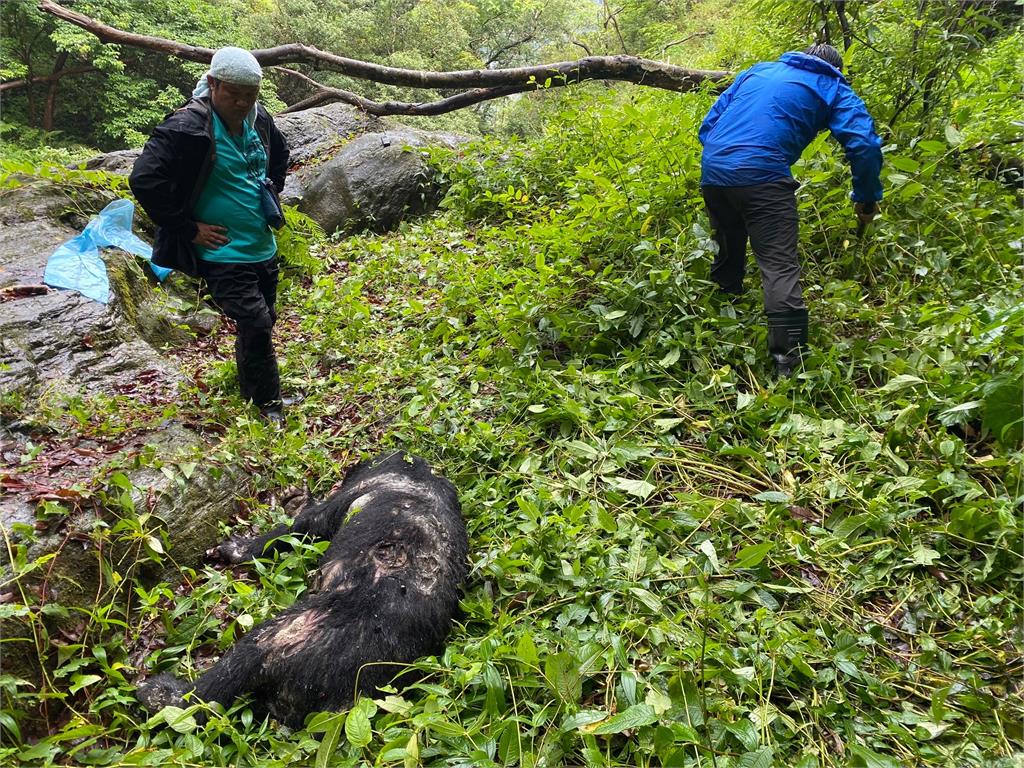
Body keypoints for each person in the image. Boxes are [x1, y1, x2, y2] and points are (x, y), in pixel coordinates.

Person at [698, 43, 883, 376]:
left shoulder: (757, 70)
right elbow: (865, 144)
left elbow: (708, 124)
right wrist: (866, 196)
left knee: (728, 237)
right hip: (763, 176)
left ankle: (723, 307)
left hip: (714, 169)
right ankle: (790, 361)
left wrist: (727, 160)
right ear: (835, 68)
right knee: (779, 265)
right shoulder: (833, 87)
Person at [130, 47, 291, 421]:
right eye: (233, 93)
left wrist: (271, 190)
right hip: (222, 253)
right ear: (213, 83)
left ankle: (251, 386)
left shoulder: (259, 118)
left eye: (249, 94)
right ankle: (268, 403)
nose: (241, 102)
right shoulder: (186, 127)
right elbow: (144, 179)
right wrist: (188, 229)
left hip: (261, 246)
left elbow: (280, 153)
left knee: (263, 318)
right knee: (255, 321)